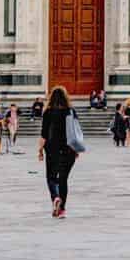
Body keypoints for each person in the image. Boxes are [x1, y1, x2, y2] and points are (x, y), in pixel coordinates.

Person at [38, 86, 80, 218]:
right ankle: (61, 209)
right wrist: (76, 148)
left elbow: (44, 134)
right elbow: (75, 131)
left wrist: (40, 150)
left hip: (52, 149)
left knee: (51, 177)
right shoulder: (70, 111)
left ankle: (55, 197)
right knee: (63, 179)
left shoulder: (48, 112)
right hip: (69, 149)